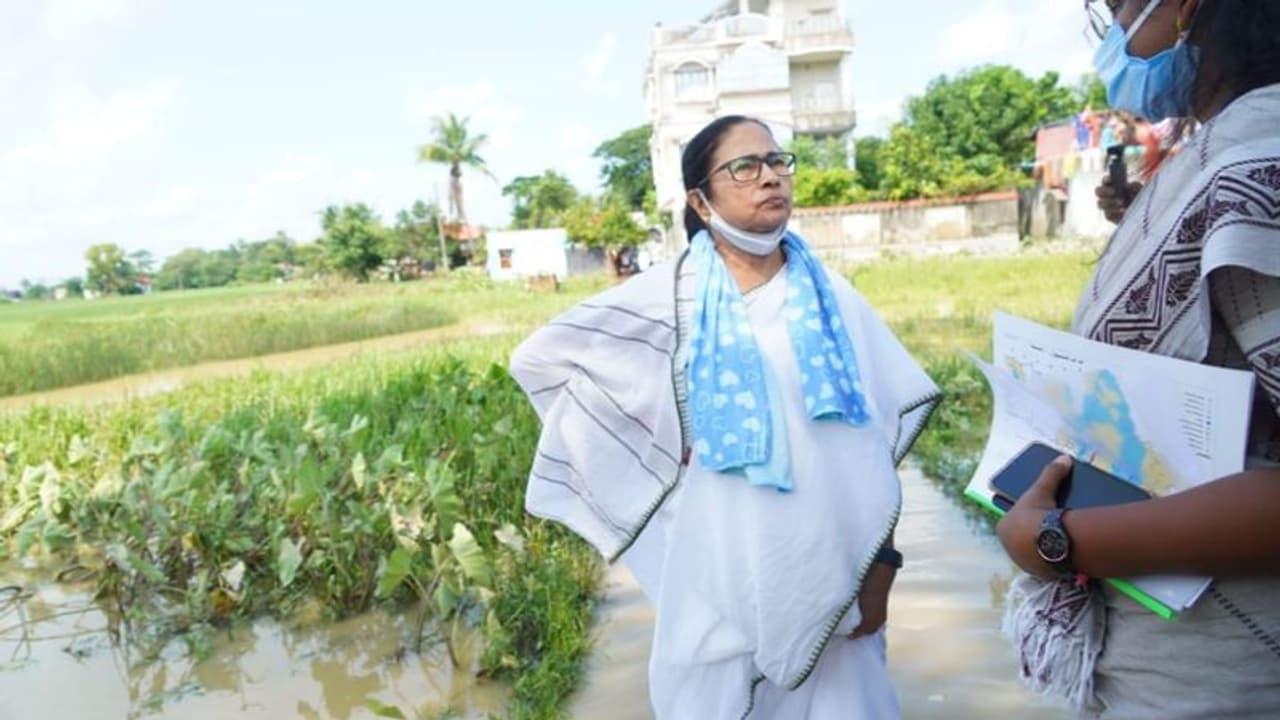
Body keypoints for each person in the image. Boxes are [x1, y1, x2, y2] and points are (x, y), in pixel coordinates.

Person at [508, 116, 940, 718]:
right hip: (713, 570)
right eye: (744, 167)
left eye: (776, 161)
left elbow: (869, 445)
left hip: (837, 570)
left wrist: (884, 564)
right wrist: (657, 445)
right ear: (700, 199)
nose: (769, 177)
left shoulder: (833, 297)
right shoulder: (666, 301)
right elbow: (540, 361)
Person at [997, 1, 1280, 717]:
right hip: (1164, 669)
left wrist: (1060, 541)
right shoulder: (1216, 144)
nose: (1115, 31)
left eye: (1118, 6)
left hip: (1232, 677)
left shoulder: (1258, 148)